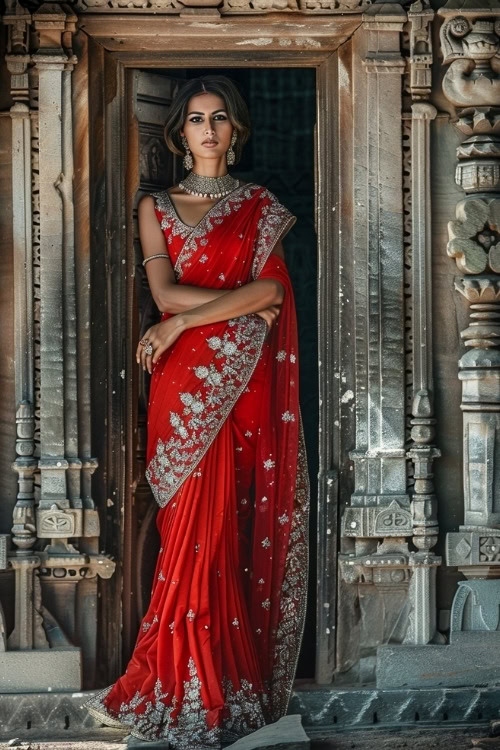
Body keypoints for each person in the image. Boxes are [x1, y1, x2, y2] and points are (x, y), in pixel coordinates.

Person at [86, 75, 309, 749]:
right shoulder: (156, 206)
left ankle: (223, 683)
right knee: (187, 530)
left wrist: (179, 324)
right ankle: (170, 680)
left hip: (239, 387)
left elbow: (271, 289)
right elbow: (163, 288)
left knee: (226, 532)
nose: (207, 129)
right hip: (182, 390)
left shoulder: (260, 208)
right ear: (178, 133)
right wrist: (220, 306)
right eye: (194, 119)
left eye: (218, 119)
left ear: (235, 131)